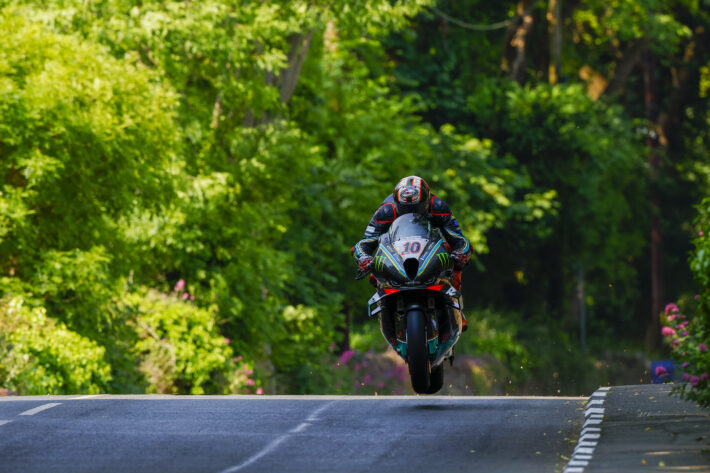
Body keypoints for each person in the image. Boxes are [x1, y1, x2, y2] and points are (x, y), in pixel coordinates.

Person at [351, 176, 472, 333]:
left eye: (416, 207)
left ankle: (458, 309)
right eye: (404, 207)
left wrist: (462, 253)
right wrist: (363, 258)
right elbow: (366, 242)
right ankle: (386, 311)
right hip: (397, 251)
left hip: (429, 248)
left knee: (453, 258)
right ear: (396, 202)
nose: (410, 211)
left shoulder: (438, 206)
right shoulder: (386, 210)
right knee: (374, 271)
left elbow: (458, 238)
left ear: (427, 201)